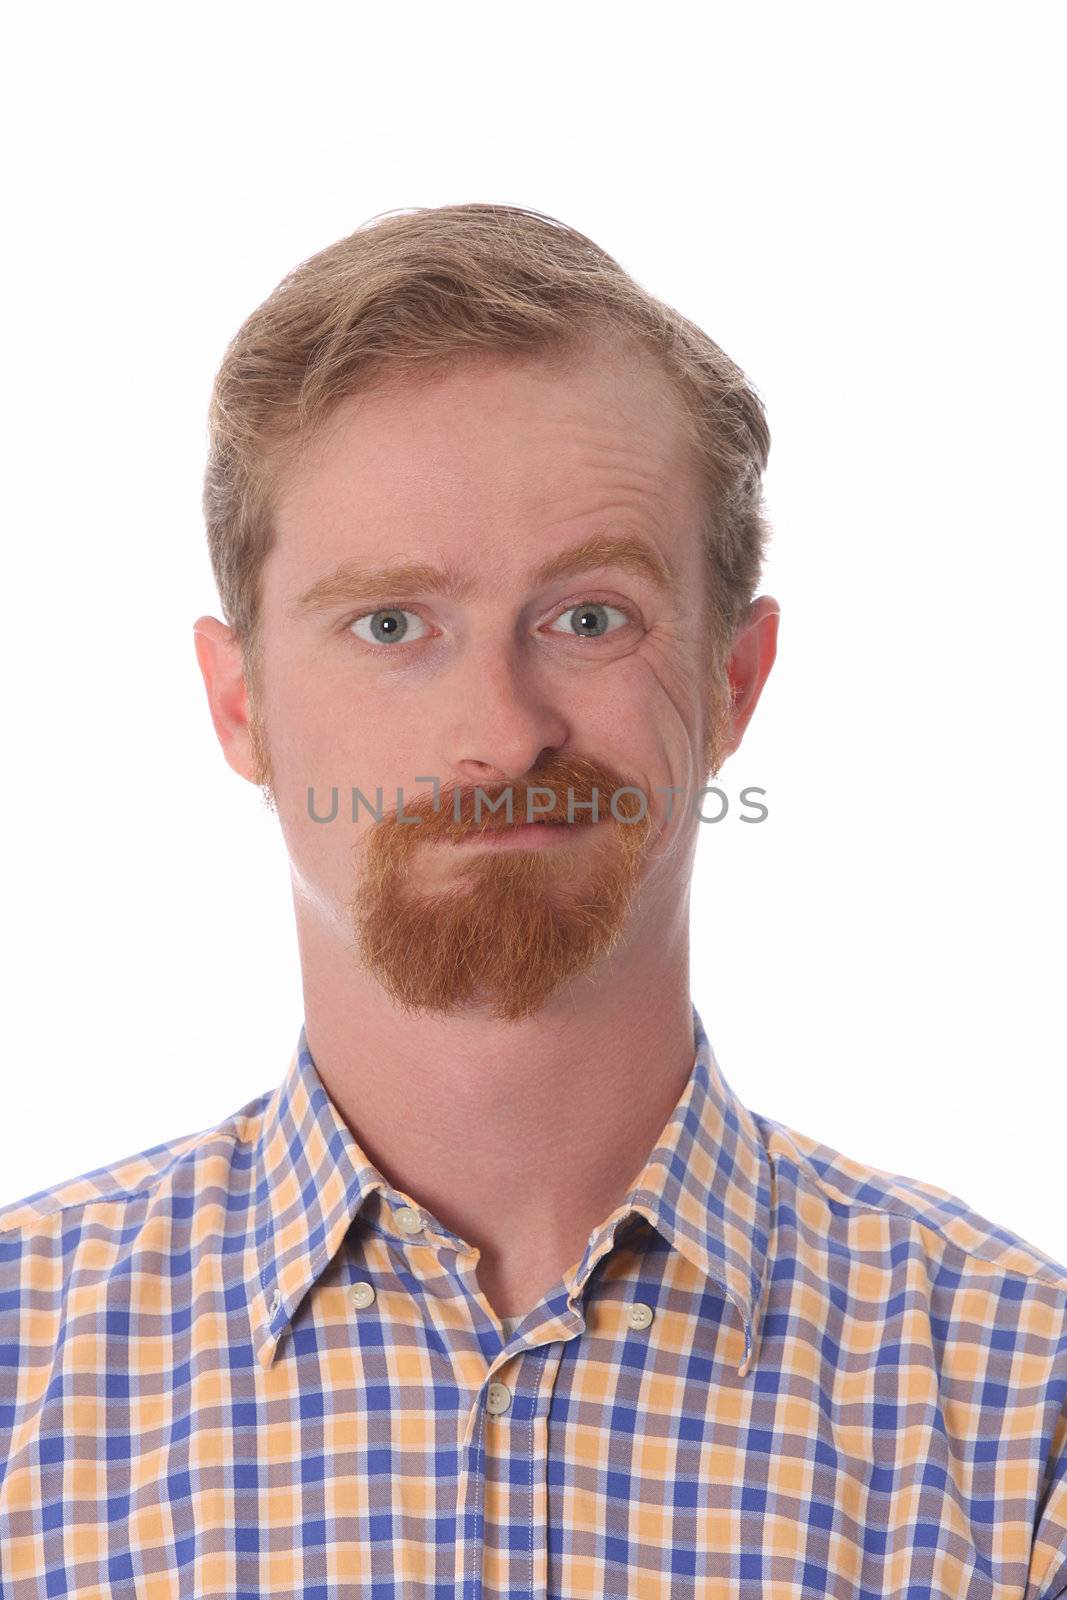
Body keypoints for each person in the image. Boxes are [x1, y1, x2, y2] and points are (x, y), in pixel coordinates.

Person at [1, 203, 1063, 1599]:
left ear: (735, 682)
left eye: (588, 618)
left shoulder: (1021, 1413)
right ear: (239, 701)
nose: (501, 735)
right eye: (391, 626)